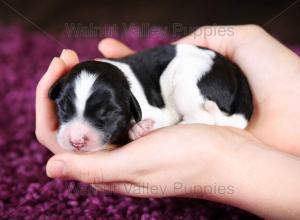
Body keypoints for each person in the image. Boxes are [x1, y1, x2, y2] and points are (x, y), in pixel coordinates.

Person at [35, 25, 300, 219]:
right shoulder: (114, 91)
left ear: (131, 106)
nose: (76, 135)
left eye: (102, 113)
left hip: (206, 76)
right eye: (66, 110)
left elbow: (160, 117)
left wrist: (221, 161)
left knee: (182, 78)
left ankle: (204, 117)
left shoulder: (134, 98)